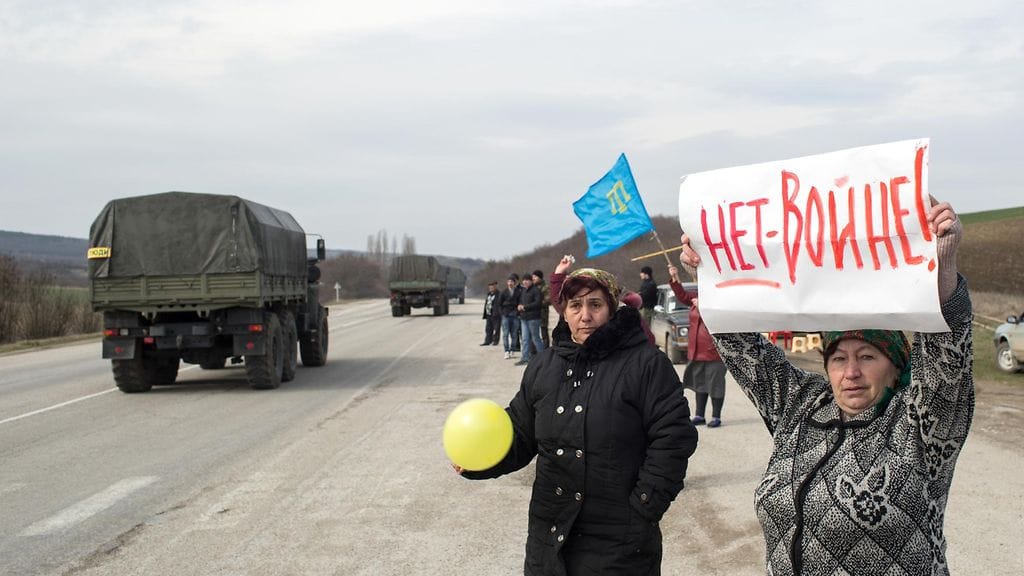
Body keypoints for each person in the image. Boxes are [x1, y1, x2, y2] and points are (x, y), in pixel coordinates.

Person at [678, 198, 973, 575]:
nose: (851, 372)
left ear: (896, 368)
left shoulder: (920, 425)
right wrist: (712, 273)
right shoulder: (800, 407)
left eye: (867, 357)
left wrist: (943, 266)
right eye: (838, 359)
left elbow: (948, 358)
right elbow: (742, 347)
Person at [458, 265, 699, 575]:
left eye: (595, 304)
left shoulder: (646, 364)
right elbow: (519, 432)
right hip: (550, 535)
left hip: (620, 541)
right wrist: (480, 460)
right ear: (565, 312)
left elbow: (674, 436)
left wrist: (644, 506)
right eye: (575, 305)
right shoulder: (544, 365)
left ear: (612, 309)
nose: (585, 315)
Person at [667, 265, 726, 428]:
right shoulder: (697, 298)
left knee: (715, 383)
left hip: (714, 351)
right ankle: (700, 414)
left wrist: (704, 306)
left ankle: (716, 416)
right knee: (699, 382)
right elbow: (683, 296)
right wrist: (675, 277)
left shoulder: (719, 300)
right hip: (697, 349)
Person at [515, 273, 545, 366]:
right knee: (524, 339)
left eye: (527, 280)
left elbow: (538, 303)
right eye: (524, 280)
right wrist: (519, 306)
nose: (525, 282)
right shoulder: (524, 291)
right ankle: (525, 358)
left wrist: (525, 307)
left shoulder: (536, 290)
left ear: (531, 281)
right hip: (524, 318)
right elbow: (521, 301)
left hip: (533, 318)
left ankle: (543, 359)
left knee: (536, 338)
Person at [497, 274, 522, 359]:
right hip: (506, 315)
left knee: (514, 334)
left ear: (514, 283)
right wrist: (502, 313)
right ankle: (506, 351)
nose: (510, 283)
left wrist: (518, 313)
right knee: (505, 334)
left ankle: (512, 349)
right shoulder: (503, 292)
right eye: (509, 281)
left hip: (515, 315)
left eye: (512, 281)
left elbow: (520, 303)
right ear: (507, 283)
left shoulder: (518, 292)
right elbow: (499, 304)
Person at [532, 269, 552, 348]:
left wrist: (537, 303)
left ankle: (546, 348)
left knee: (544, 331)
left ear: (540, 277)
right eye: (533, 277)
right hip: (533, 313)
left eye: (535, 277)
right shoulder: (532, 287)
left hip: (542, 312)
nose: (533, 278)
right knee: (533, 332)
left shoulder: (545, 287)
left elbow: (549, 300)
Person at [480, 281, 501, 346]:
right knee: (488, 328)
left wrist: (499, 312)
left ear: (495, 286)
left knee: (496, 328)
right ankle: (487, 341)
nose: (491, 288)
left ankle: (495, 341)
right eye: (490, 287)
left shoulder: (499, 294)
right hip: (489, 314)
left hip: (496, 314)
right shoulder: (488, 294)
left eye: (492, 287)